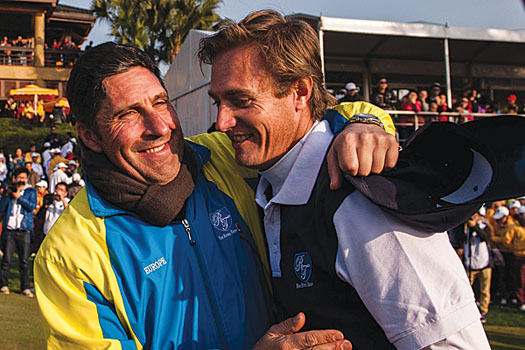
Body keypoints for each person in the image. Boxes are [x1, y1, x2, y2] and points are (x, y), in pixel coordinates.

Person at [33, 42, 400, 349]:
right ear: (90, 136)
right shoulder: (69, 252)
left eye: (161, 102)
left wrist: (363, 126)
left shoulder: (219, 156)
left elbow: (312, 120)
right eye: (129, 114)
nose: (159, 127)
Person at [198, 10, 498, 349]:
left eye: (241, 100)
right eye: (218, 102)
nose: (222, 122)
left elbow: (456, 344)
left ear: (300, 92)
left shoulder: (361, 197)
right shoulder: (270, 188)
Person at [0, 167, 37, 297]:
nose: (21, 180)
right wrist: (7, 194)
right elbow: (2, 207)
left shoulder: (31, 191)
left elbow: (31, 206)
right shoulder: (9, 190)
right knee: (7, 259)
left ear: (27, 179)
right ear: (15, 178)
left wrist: (19, 197)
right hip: (10, 229)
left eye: (23, 178)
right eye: (19, 177)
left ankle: (25, 287)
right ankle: (3, 285)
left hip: (24, 230)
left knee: (24, 261)